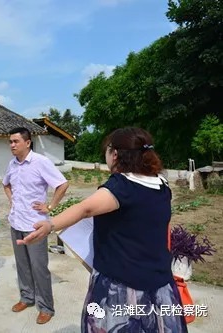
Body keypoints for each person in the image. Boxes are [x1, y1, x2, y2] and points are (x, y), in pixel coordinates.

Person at [18, 127, 188, 333]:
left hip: (122, 285)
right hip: (159, 282)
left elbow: (85, 208)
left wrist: (51, 224)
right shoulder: (161, 185)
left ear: (115, 154)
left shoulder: (122, 186)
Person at [3, 127, 69, 325]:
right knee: (23, 265)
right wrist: (12, 200)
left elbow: (62, 184)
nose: (12, 145)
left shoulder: (41, 162)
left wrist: (50, 206)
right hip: (16, 222)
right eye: (10, 142)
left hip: (35, 225)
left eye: (15, 141)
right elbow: (6, 184)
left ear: (27, 142)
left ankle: (46, 307)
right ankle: (27, 298)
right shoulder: (12, 164)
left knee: (39, 267)